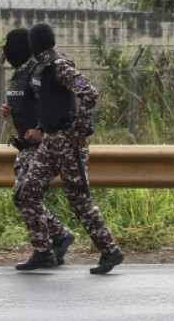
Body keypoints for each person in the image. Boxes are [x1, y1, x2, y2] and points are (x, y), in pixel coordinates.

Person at [13, 22, 124, 274]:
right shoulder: (39, 68)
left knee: (78, 200)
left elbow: (90, 93)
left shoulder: (59, 66)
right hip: (49, 141)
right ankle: (43, 251)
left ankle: (110, 250)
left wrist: (78, 130)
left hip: (67, 143)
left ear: (36, 43)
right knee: (27, 193)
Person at [0, 28, 76, 265]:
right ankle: (59, 237)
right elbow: (28, 102)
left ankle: (45, 249)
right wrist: (10, 110)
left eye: (10, 45)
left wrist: (42, 131)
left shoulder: (38, 70)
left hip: (41, 146)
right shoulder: (21, 72)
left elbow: (53, 102)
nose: (7, 50)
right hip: (25, 146)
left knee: (24, 195)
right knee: (22, 196)